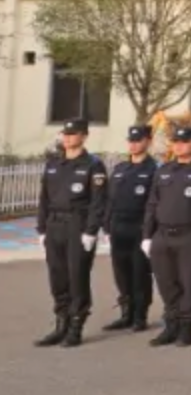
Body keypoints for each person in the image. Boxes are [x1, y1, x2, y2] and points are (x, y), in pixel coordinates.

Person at [143, 127, 191, 346]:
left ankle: (187, 328)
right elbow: (152, 204)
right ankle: (171, 325)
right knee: (167, 283)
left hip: (190, 235)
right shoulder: (164, 170)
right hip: (163, 235)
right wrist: (147, 235)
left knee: (189, 283)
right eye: (175, 142)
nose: (178, 146)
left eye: (184, 142)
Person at [34, 118, 109, 348]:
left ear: (84, 136)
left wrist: (91, 231)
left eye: (73, 134)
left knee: (77, 276)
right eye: (65, 134)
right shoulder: (54, 164)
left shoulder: (93, 165)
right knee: (57, 277)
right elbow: (44, 199)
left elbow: (99, 202)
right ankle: (61, 324)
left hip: (78, 224)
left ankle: (76, 326)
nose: (67, 138)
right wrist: (42, 228)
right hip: (55, 223)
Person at [103, 125, 158, 333]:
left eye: (138, 140)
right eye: (131, 141)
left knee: (140, 273)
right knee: (121, 273)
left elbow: (154, 203)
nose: (133, 144)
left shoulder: (154, 170)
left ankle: (139, 316)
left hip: (139, 228)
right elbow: (110, 200)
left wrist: (149, 232)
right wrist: (106, 226)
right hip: (118, 227)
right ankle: (126, 313)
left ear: (148, 141)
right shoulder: (120, 169)